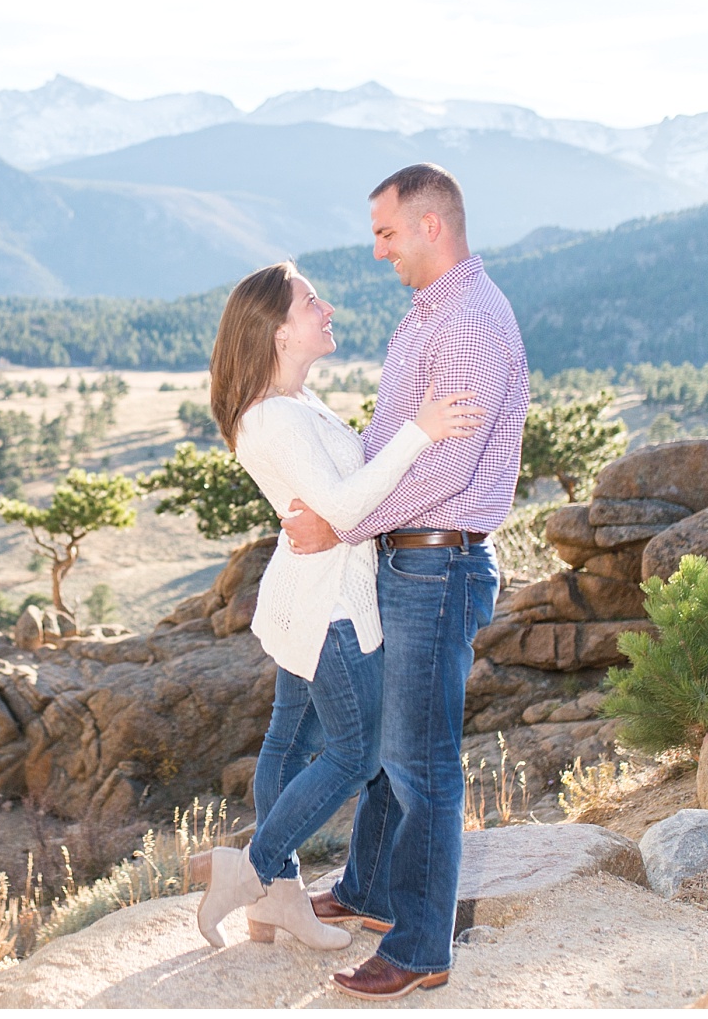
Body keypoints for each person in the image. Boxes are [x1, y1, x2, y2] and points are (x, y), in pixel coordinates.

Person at [281, 163, 528, 1000]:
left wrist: (343, 523)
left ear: (431, 225)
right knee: (390, 746)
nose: (378, 249)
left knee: (421, 764)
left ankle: (422, 947)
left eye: (387, 232)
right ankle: (368, 891)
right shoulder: (431, 315)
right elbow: (394, 442)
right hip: (409, 557)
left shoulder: (466, 324)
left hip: (437, 559)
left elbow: (447, 468)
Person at [189, 259, 483, 951]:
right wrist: (423, 429)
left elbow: (338, 503)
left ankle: (281, 900)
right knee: (355, 754)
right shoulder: (274, 419)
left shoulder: (295, 406)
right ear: (278, 331)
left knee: (291, 743)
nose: (326, 310)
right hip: (331, 610)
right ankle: (256, 870)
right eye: (310, 302)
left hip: (312, 593)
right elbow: (349, 504)